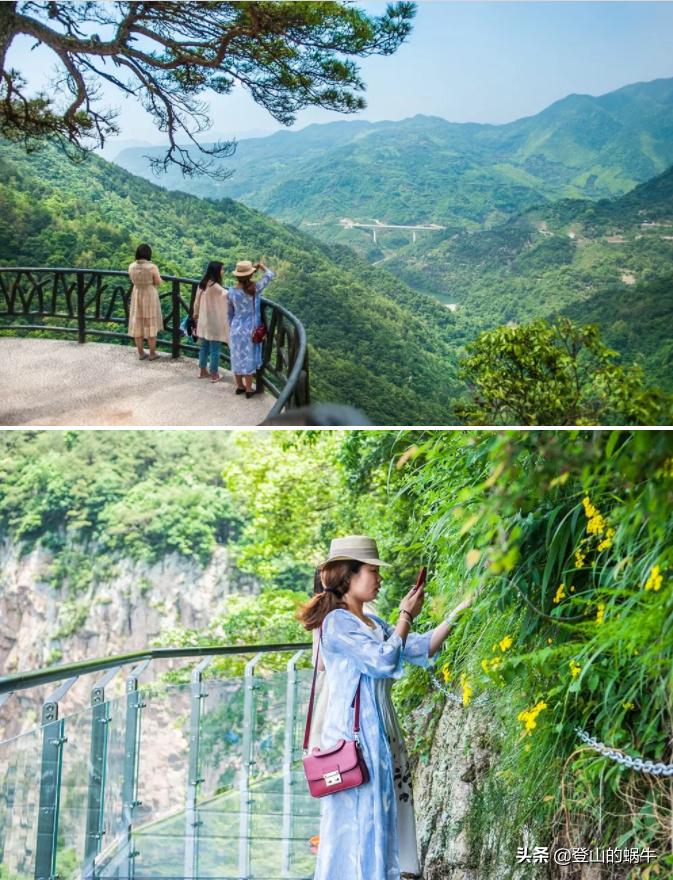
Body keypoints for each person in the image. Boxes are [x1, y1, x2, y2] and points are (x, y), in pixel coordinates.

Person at [297, 535, 475, 880]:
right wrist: (406, 614)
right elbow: (382, 659)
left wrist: (459, 611)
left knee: (381, 821)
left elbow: (419, 648)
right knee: (357, 827)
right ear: (348, 576)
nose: (379, 579)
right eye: (372, 571)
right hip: (353, 742)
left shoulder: (373, 623)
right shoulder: (337, 623)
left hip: (380, 737)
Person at [227, 260, 275, 398]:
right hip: (251, 330)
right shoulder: (255, 288)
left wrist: (232, 327)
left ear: (236, 276)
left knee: (236, 357)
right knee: (249, 357)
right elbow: (270, 275)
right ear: (250, 275)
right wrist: (261, 267)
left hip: (236, 329)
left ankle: (240, 387)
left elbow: (229, 314)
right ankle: (249, 389)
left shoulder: (231, 292)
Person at [193, 261, 229, 382]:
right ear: (217, 271)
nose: (223, 271)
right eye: (222, 269)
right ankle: (214, 374)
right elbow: (228, 296)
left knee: (203, 346)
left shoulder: (202, 284)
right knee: (215, 349)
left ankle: (202, 370)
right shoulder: (217, 287)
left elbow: (196, 301)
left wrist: (196, 314)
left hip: (203, 320)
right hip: (214, 322)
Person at [127, 243, 164, 360]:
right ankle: (152, 353)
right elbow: (158, 282)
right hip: (149, 295)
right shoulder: (152, 267)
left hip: (137, 294)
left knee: (137, 324)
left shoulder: (131, 266)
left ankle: (141, 353)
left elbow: (132, 280)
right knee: (150, 324)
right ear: (148, 254)